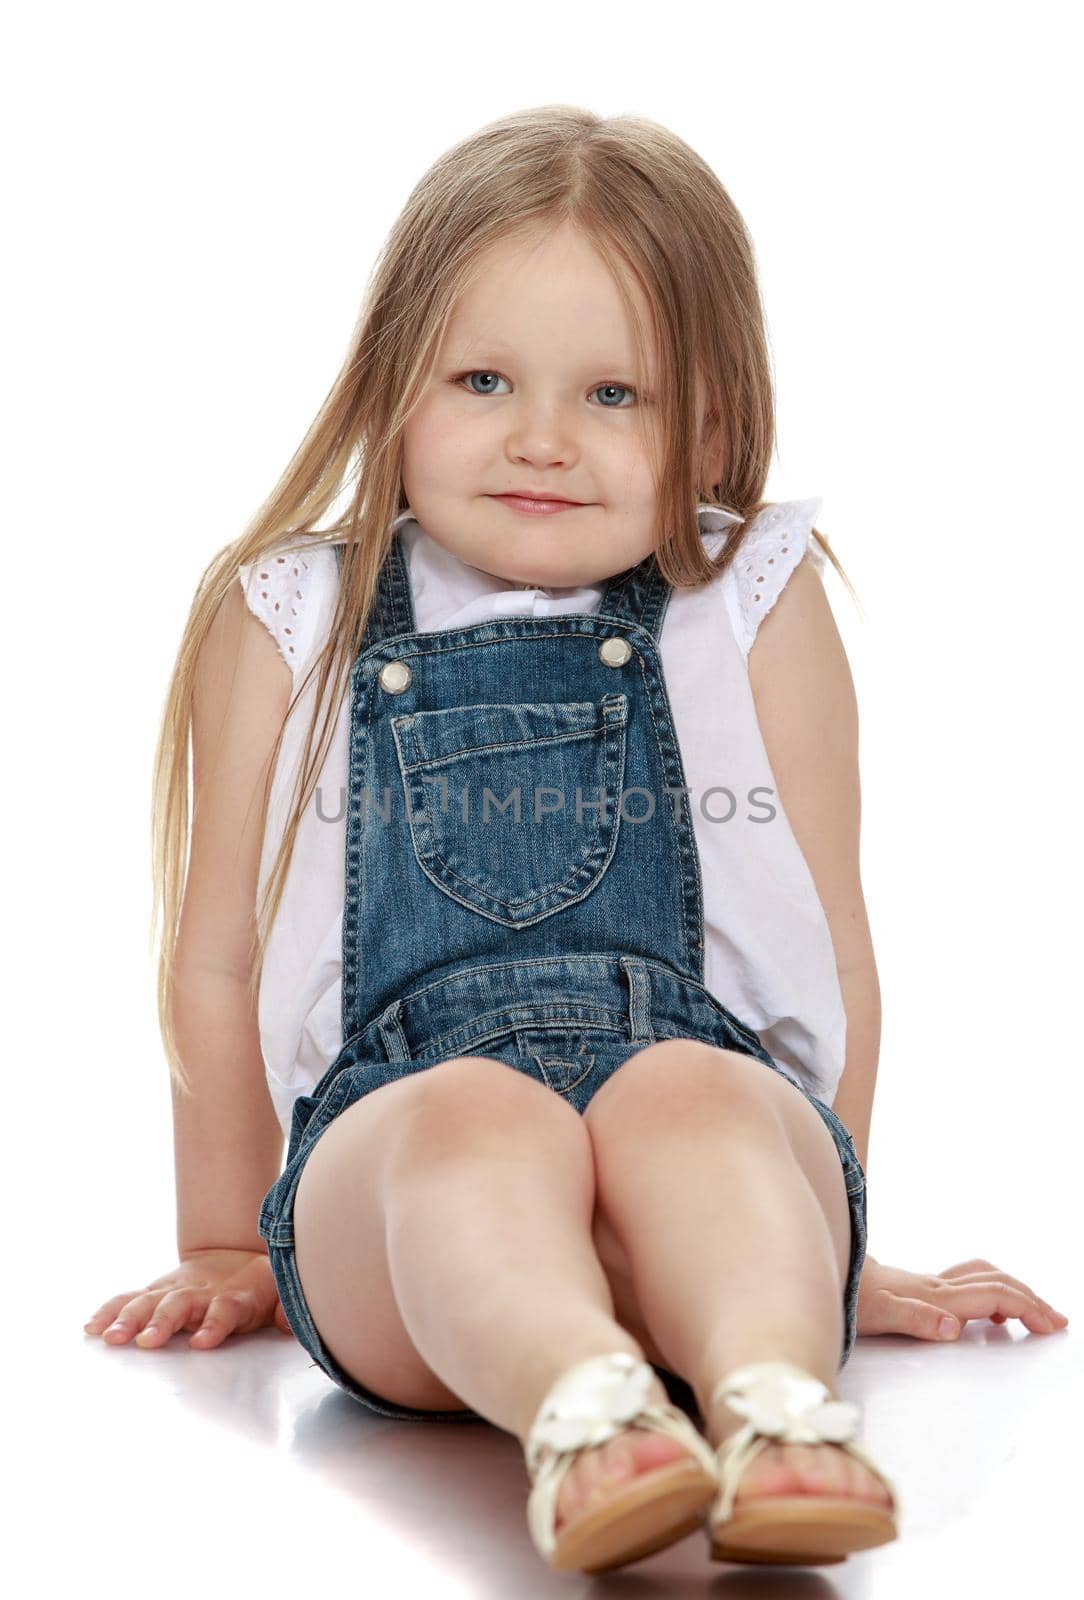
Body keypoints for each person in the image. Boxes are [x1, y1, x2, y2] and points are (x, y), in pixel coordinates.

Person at [83, 105, 1068, 1575]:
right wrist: (229, 1238)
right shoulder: (298, 613)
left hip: (685, 1193)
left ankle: (771, 1386)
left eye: (618, 394)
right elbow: (217, 961)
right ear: (389, 386)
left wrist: (833, 1238)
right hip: (418, 1231)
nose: (542, 438)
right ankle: (585, 1413)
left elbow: (828, 943)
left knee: (697, 1092)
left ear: (716, 421)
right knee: (468, 1118)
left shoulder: (747, 598)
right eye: (483, 379)